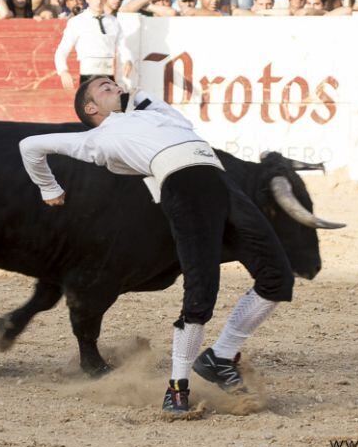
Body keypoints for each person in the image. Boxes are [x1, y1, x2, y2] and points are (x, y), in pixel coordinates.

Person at [18, 77, 294, 415]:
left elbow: (150, 101)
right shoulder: (96, 139)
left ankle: (220, 356)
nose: (116, 88)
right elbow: (30, 145)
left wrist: (133, 94)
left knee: (277, 278)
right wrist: (49, 189)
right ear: (91, 108)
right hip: (183, 188)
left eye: (116, 83)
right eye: (105, 88)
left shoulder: (159, 116)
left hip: (223, 184)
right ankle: (177, 387)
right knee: (201, 292)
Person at [54, 0, 133, 89]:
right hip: (88, 76)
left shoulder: (113, 21)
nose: (98, 1)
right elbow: (62, 50)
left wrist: (128, 59)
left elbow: (122, 45)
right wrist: (63, 71)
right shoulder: (77, 22)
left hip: (108, 75)